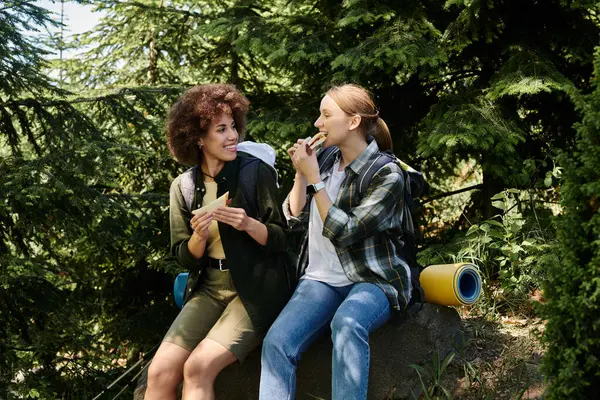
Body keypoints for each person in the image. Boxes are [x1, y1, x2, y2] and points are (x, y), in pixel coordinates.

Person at [259, 84, 411, 400]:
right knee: (276, 342)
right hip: (320, 280)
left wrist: (315, 180)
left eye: (326, 115)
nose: (318, 123)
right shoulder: (325, 159)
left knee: (348, 322)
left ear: (353, 122)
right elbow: (294, 217)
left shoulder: (387, 173)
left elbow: (345, 231)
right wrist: (302, 175)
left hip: (373, 279)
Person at [146, 84, 289, 400]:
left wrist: (248, 223)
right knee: (158, 373)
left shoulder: (256, 173)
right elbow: (183, 257)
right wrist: (198, 236)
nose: (233, 136)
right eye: (221, 129)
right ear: (198, 137)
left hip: (255, 289)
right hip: (210, 288)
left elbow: (280, 237)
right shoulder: (183, 187)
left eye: (234, 126)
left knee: (197, 368)